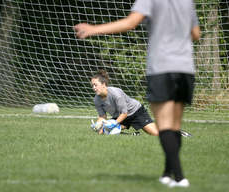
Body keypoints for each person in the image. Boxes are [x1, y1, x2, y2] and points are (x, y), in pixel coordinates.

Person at [73, 0, 201, 188]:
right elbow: (196, 34)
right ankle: (167, 174)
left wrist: (93, 29)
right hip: (185, 68)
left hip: (161, 67)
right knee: (173, 126)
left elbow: (130, 23)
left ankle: (180, 178)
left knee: (164, 128)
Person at [90, 69, 159, 136]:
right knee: (101, 132)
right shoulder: (96, 99)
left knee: (156, 134)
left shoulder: (116, 94)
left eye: (96, 85)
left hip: (135, 112)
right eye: (92, 85)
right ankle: (132, 135)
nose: (94, 88)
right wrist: (97, 124)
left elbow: (124, 113)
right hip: (120, 116)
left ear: (103, 84)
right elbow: (102, 116)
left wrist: (115, 123)